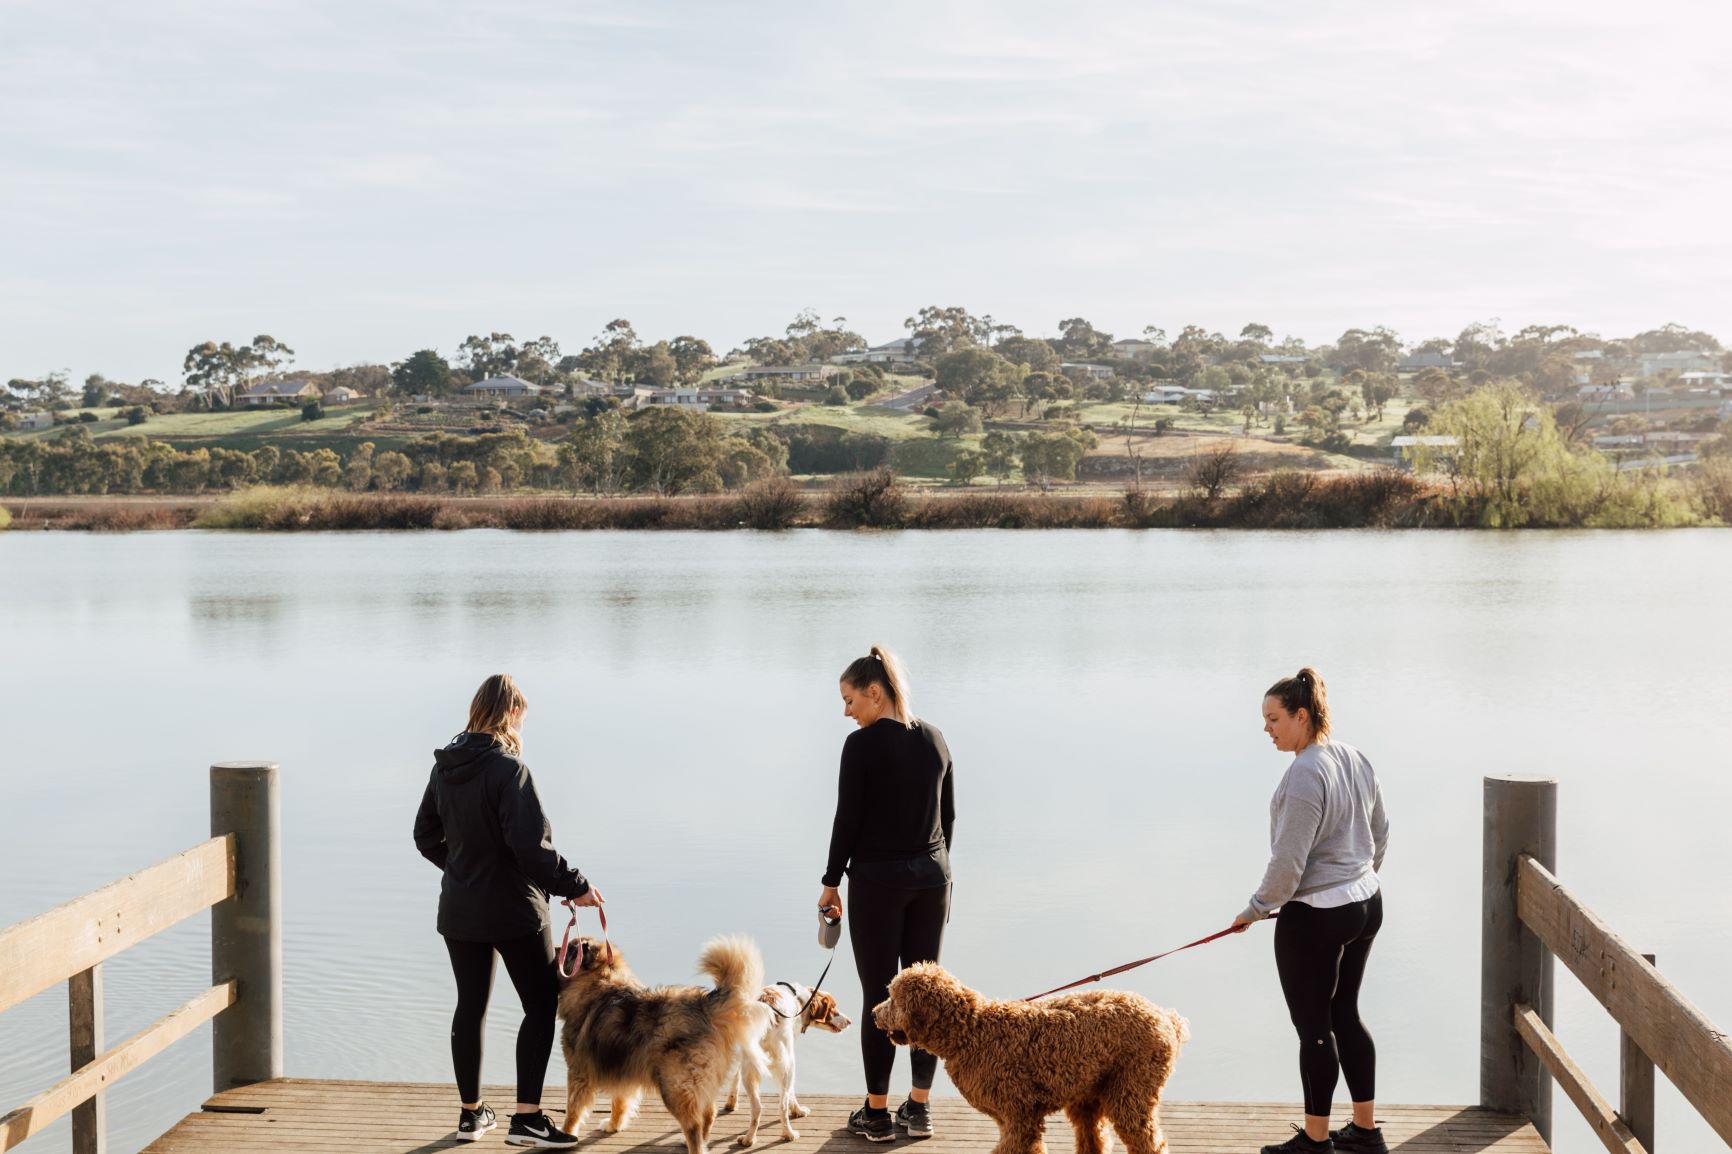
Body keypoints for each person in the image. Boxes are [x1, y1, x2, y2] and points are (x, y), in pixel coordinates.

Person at [414, 673, 602, 1148]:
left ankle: (470, 1116)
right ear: (513, 713)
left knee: (470, 1007)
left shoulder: (444, 768)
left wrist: (460, 869)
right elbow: (531, 848)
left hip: (460, 911)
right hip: (515, 910)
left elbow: (424, 836)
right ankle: (527, 1120)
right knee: (540, 1004)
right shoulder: (508, 769)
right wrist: (575, 886)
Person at [1232, 668, 1389, 1154]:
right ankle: (1364, 1132)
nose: (1267, 729)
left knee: (1314, 1030)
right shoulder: (1353, 756)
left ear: (1302, 716)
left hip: (1318, 917)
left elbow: (1288, 862)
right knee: (1346, 1013)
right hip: (1366, 902)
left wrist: (1256, 909)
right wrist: (1357, 877)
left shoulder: (1303, 775)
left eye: (1274, 718)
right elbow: (1380, 831)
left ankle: (1316, 1143)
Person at [818, 645, 955, 1144]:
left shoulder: (861, 747)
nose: (847, 711)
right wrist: (936, 873)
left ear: (875, 693)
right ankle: (919, 1109)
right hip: (931, 882)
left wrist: (831, 881)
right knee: (925, 995)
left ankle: (876, 1115)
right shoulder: (935, 740)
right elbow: (949, 818)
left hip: (876, 884)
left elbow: (847, 820)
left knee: (880, 996)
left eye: (850, 699)